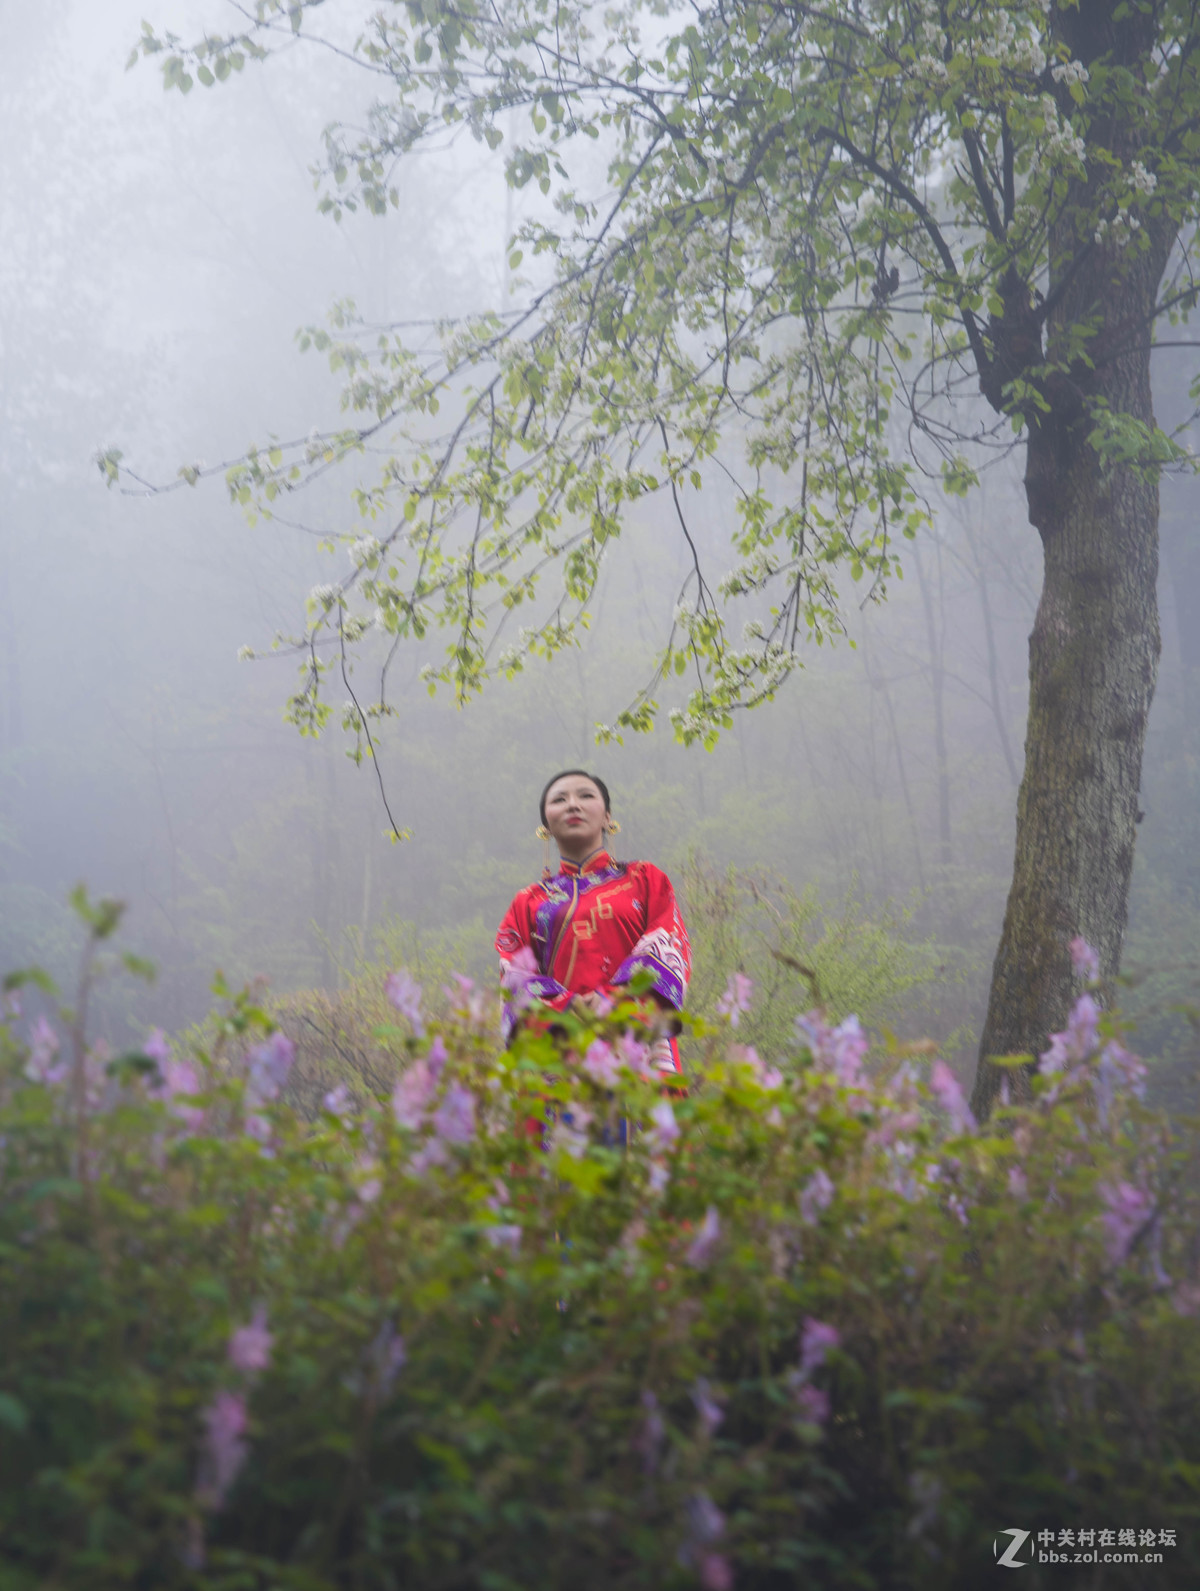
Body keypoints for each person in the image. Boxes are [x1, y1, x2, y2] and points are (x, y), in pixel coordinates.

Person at [495, 769, 691, 1076]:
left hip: (635, 1040)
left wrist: (610, 1001)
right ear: (545, 825)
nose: (573, 805)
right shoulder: (528, 901)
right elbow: (514, 977)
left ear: (607, 817)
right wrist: (567, 1008)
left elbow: (667, 945)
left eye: (586, 796)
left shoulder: (644, 880)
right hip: (562, 1048)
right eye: (559, 799)